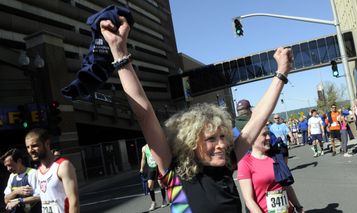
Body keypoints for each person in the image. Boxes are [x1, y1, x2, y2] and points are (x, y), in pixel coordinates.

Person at [99, 16, 293, 212]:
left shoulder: (226, 164)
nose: (222, 144)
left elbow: (258, 117)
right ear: (189, 142)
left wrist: (281, 73)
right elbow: (145, 114)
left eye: (222, 136)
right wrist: (119, 51)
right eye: (211, 138)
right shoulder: (172, 169)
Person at [237, 127, 304, 213]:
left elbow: (286, 186)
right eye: (264, 135)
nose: (268, 137)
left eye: (268, 134)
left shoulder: (276, 157)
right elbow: (249, 200)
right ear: (252, 138)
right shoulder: (245, 163)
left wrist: (298, 207)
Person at [25, 128, 79, 213]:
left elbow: (74, 202)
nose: (30, 150)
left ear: (47, 143)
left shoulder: (63, 166)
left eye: (34, 146)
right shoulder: (38, 171)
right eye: (28, 147)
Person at [1, 149, 41, 213]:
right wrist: (16, 192)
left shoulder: (33, 173)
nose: (8, 169)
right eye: (6, 166)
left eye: (10, 165)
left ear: (19, 161)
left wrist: (19, 200)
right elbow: (6, 199)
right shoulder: (12, 176)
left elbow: (39, 196)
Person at [139, 144, 167, 211]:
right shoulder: (144, 148)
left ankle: (164, 200)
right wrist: (141, 168)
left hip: (158, 166)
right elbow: (143, 159)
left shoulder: (156, 144)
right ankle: (153, 202)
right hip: (151, 168)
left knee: (161, 184)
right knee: (150, 185)